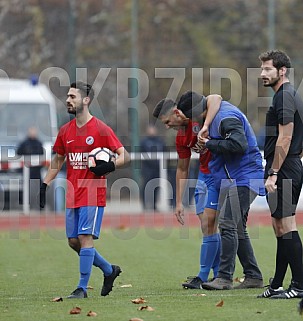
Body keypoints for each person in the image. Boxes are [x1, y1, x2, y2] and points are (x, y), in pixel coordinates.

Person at [39, 81, 130, 299]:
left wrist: (109, 166)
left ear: (86, 100)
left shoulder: (100, 129)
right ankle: (109, 270)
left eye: (73, 96)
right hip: (73, 193)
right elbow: (58, 159)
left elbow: (124, 155)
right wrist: (45, 184)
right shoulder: (66, 131)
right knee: (73, 242)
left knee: (84, 237)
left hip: (92, 192)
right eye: (68, 97)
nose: (68, 100)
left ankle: (81, 288)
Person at [179, 91, 265, 290]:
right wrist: (207, 147)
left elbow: (239, 144)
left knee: (226, 223)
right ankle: (253, 276)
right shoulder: (214, 114)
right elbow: (214, 97)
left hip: (245, 177)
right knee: (237, 227)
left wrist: (210, 144)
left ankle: (224, 278)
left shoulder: (225, 117)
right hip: (234, 177)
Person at [153, 94, 222, 289]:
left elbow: (216, 97)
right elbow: (182, 169)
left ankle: (203, 276)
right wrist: (179, 202)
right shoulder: (181, 137)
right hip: (203, 175)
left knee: (210, 223)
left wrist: (206, 126)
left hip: (220, 175)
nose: (167, 126)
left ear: (176, 113)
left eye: (167, 122)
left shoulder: (197, 114)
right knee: (206, 224)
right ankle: (217, 275)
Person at [257, 50, 303, 299]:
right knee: (279, 226)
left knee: (286, 224)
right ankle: (276, 284)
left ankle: (299, 286)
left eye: (267, 69)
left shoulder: (284, 97)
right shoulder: (286, 95)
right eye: (262, 69)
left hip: (283, 168)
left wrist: (274, 171)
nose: (262, 74)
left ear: (281, 71)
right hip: (287, 165)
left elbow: (285, 136)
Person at [139, 125, 166, 211]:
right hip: (147, 168)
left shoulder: (160, 141)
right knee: (146, 186)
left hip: (157, 168)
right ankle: (144, 204)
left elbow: (164, 151)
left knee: (156, 186)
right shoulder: (144, 142)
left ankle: (154, 205)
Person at [17, 126, 44, 210]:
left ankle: (41, 205)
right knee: (25, 188)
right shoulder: (24, 143)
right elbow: (18, 154)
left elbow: (42, 156)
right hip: (27, 170)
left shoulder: (39, 143)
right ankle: (24, 206)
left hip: (36, 170)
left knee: (40, 187)